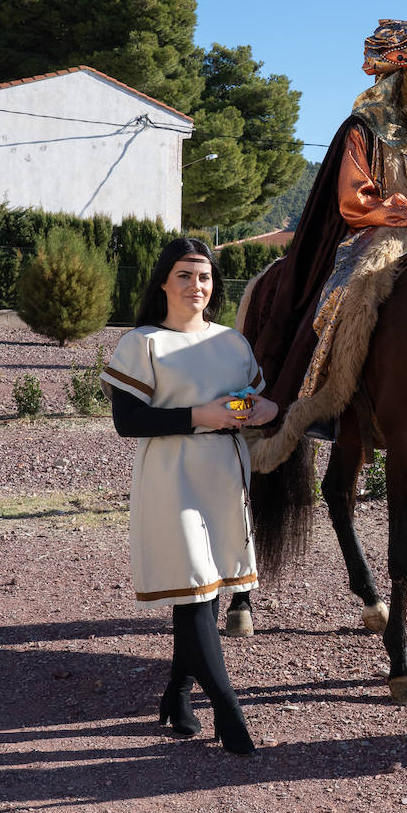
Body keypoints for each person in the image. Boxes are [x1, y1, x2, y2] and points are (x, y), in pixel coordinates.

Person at [238, 19, 407, 453]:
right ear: (397, 75)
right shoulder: (362, 129)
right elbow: (355, 201)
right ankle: (319, 402)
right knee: (349, 292)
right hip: (383, 234)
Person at [100, 237, 278, 755]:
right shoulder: (142, 343)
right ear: (163, 282)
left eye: (204, 277)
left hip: (225, 475)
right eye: (184, 275)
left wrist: (266, 410)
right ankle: (229, 711)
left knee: (206, 590)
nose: (195, 285)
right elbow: (128, 421)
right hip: (170, 477)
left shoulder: (233, 343)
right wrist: (203, 415)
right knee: (196, 589)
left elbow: (255, 400)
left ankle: (177, 693)